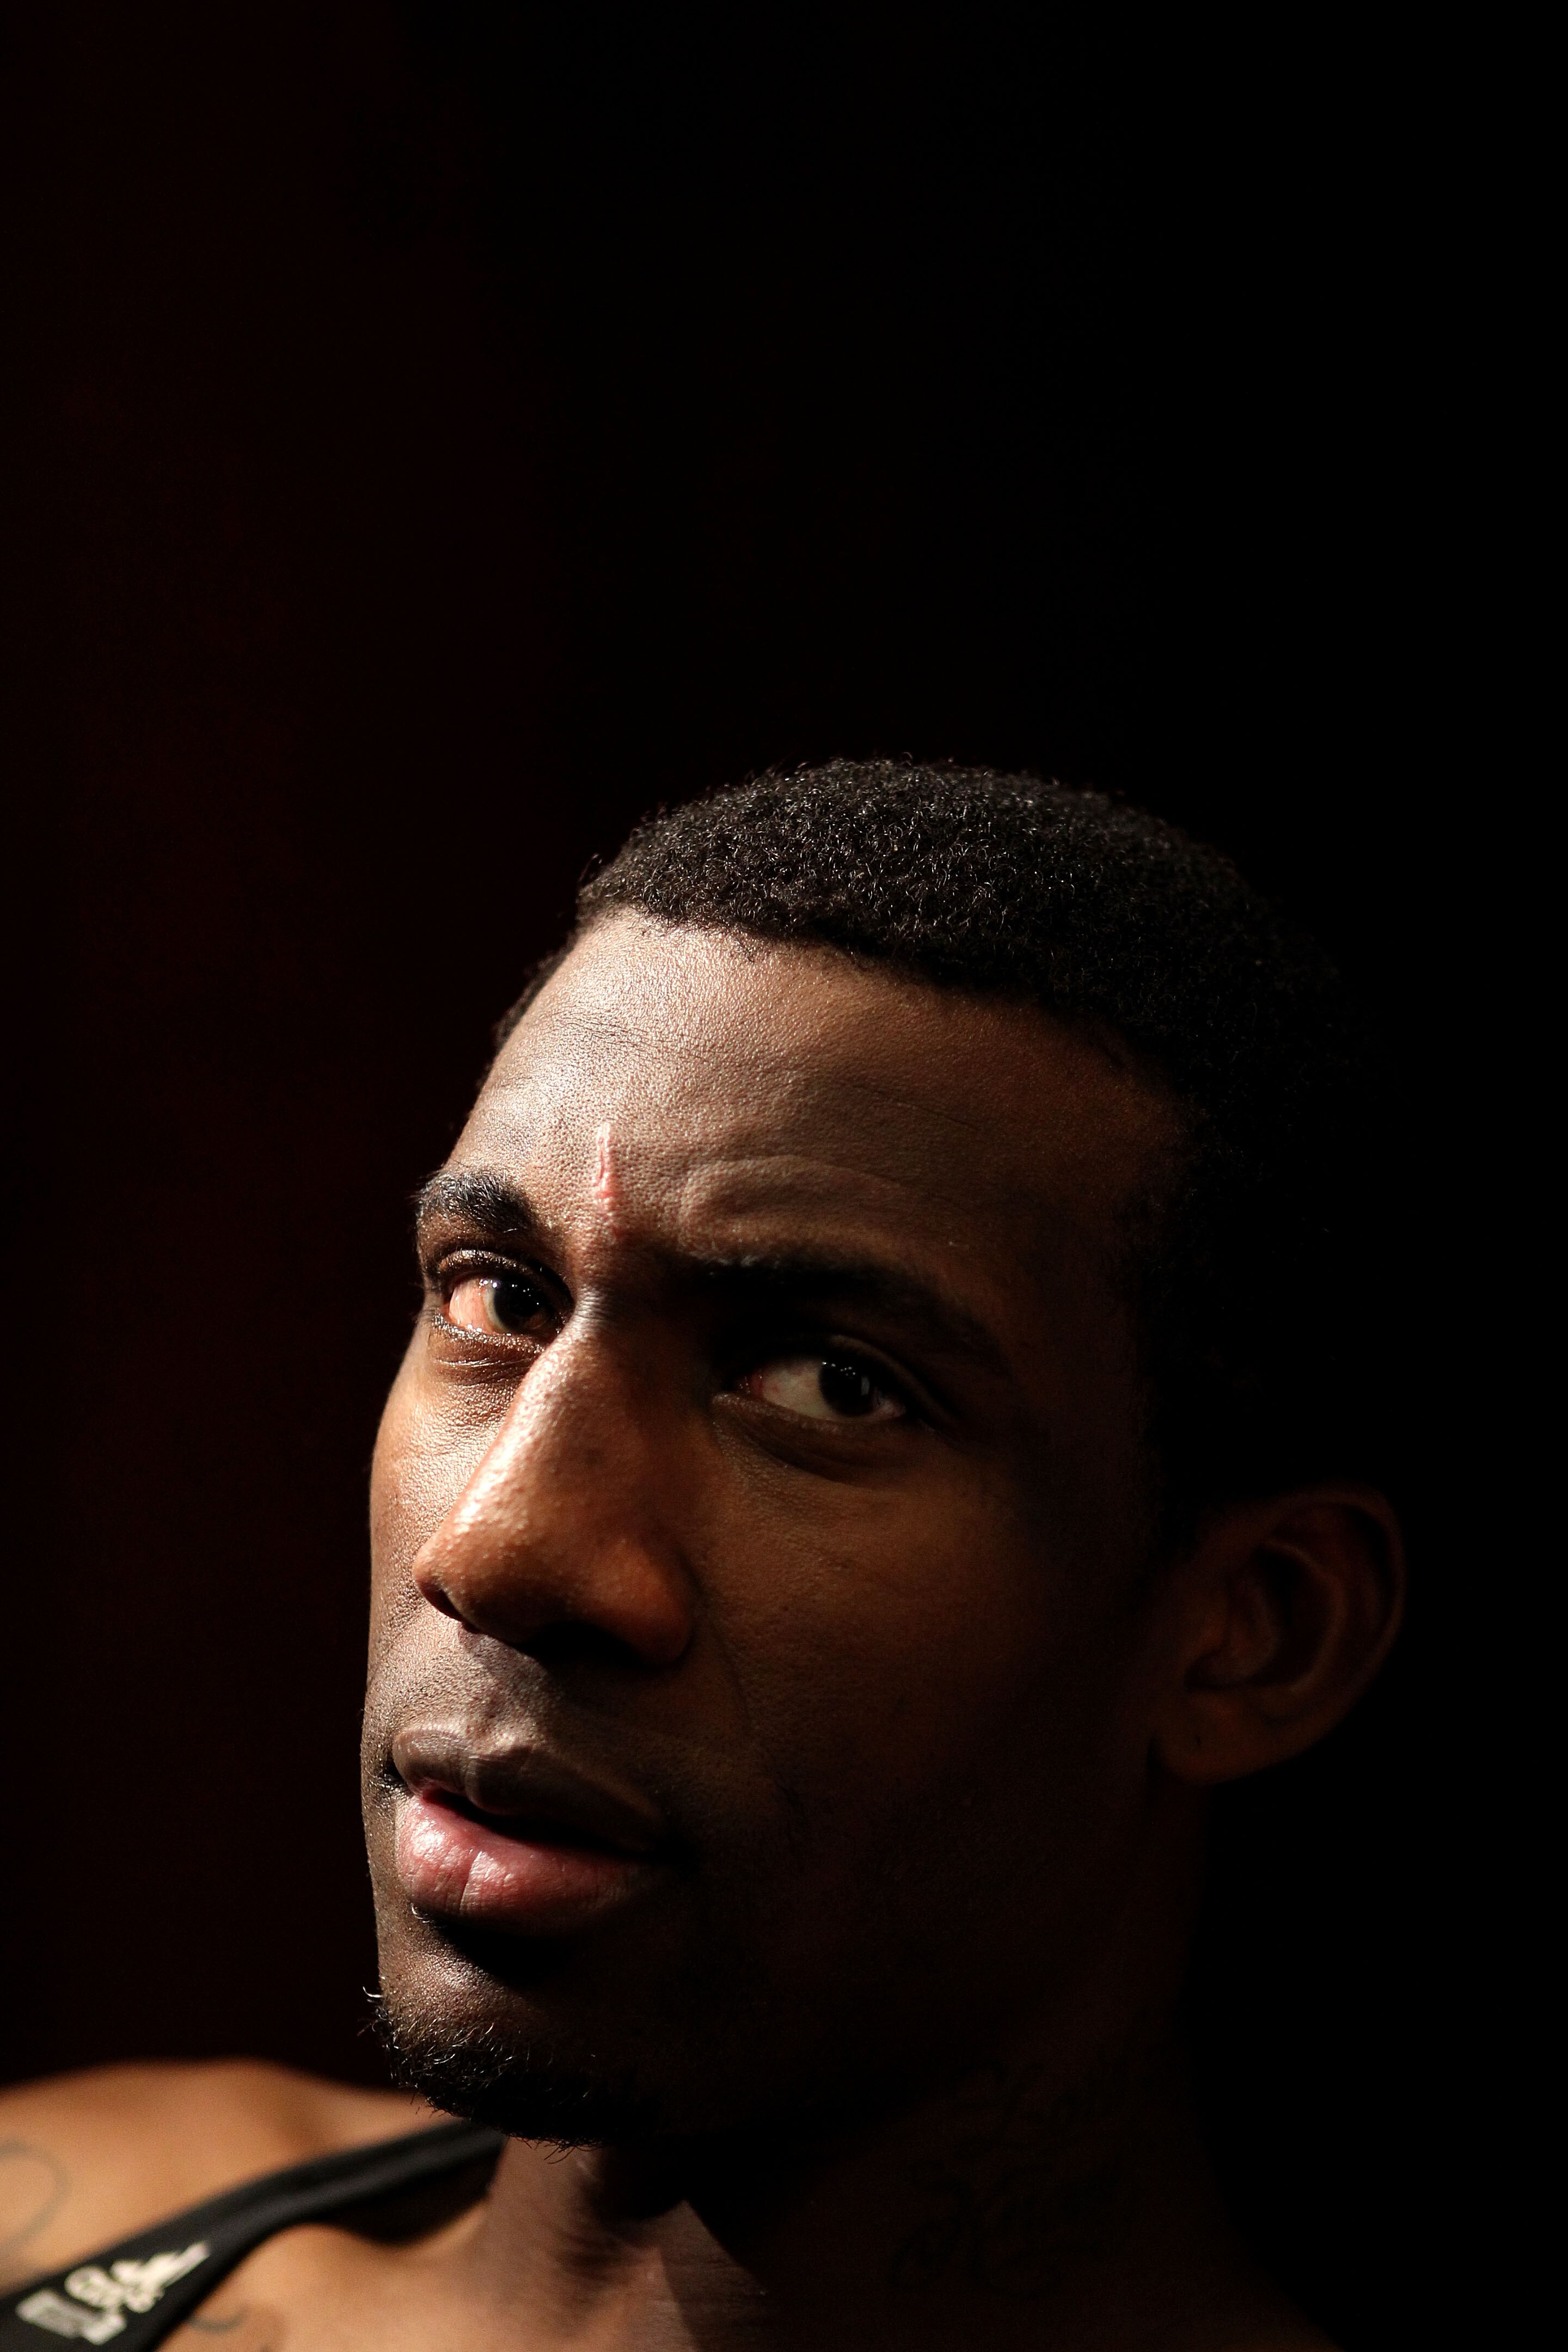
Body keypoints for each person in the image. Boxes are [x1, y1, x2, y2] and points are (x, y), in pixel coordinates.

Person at [0, 763, 1405, 2350]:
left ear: (1254, 1632)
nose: (503, 1548)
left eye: (828, 1385)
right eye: (499, 1301)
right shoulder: (70, 2215)